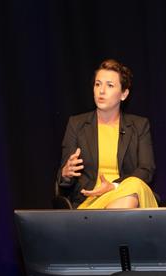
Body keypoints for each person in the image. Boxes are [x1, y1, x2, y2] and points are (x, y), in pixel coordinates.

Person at [58, 59, 158, 209]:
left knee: (133, 188)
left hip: (128, 193)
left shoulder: (139, 125)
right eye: (98, 84)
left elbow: (146, 170)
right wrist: (66, 173)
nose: (101, 91)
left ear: (124, 94)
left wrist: (114, 186)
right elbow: (65, 178)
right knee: (129, 200)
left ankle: (108, 225)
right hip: (90, 200)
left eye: (109, 85)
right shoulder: (76, 124)